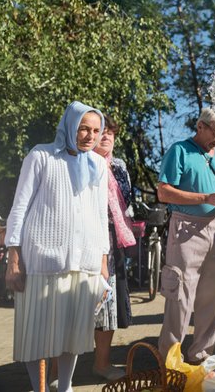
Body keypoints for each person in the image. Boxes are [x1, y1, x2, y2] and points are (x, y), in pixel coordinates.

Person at [4, 101, 109, 392]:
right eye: (84, 128)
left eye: (96, 130)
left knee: (72, 334)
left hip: (85, 262)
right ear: (70, 125)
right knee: (35, 336)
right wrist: (13, 259)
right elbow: (19, 208)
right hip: (43, 262)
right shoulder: (42, 155)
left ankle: (64, 387)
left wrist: (103, 263)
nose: (90, 135)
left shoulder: (99, 165)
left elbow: (102, 216)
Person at [157, 108, 215, 362]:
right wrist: (206, 197)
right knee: (180, 295)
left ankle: (201, 356)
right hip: (186, 229)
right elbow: (163, 192)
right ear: (200, 126)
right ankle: (170, 360)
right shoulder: (179, 150)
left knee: (214, 295)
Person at [91, 114, 136, 380]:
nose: (106, 136)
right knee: (82, 304)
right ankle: (58, 371)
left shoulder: (118, 166)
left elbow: (126, 201)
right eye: (102, 132)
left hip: (113, 237)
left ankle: (101, 363)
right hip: (87, 238)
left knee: (109, 304)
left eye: (111, 133)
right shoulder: (82, 163)